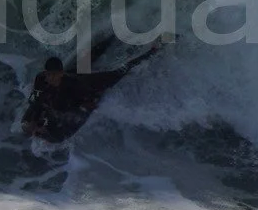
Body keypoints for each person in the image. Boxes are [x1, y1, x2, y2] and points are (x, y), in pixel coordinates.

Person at [21, 37, 171, 142]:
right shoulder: (42, 80)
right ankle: (154, 49)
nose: (50, 78)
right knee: (120, 72)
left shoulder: (73, 82)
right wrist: (35, 124)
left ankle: (121, 38)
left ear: (60, 73)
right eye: (49, 75)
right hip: (77, 106)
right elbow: (35, 101)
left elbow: (36, 101)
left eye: (54, 75)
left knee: (102, 62)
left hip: (83, 87)